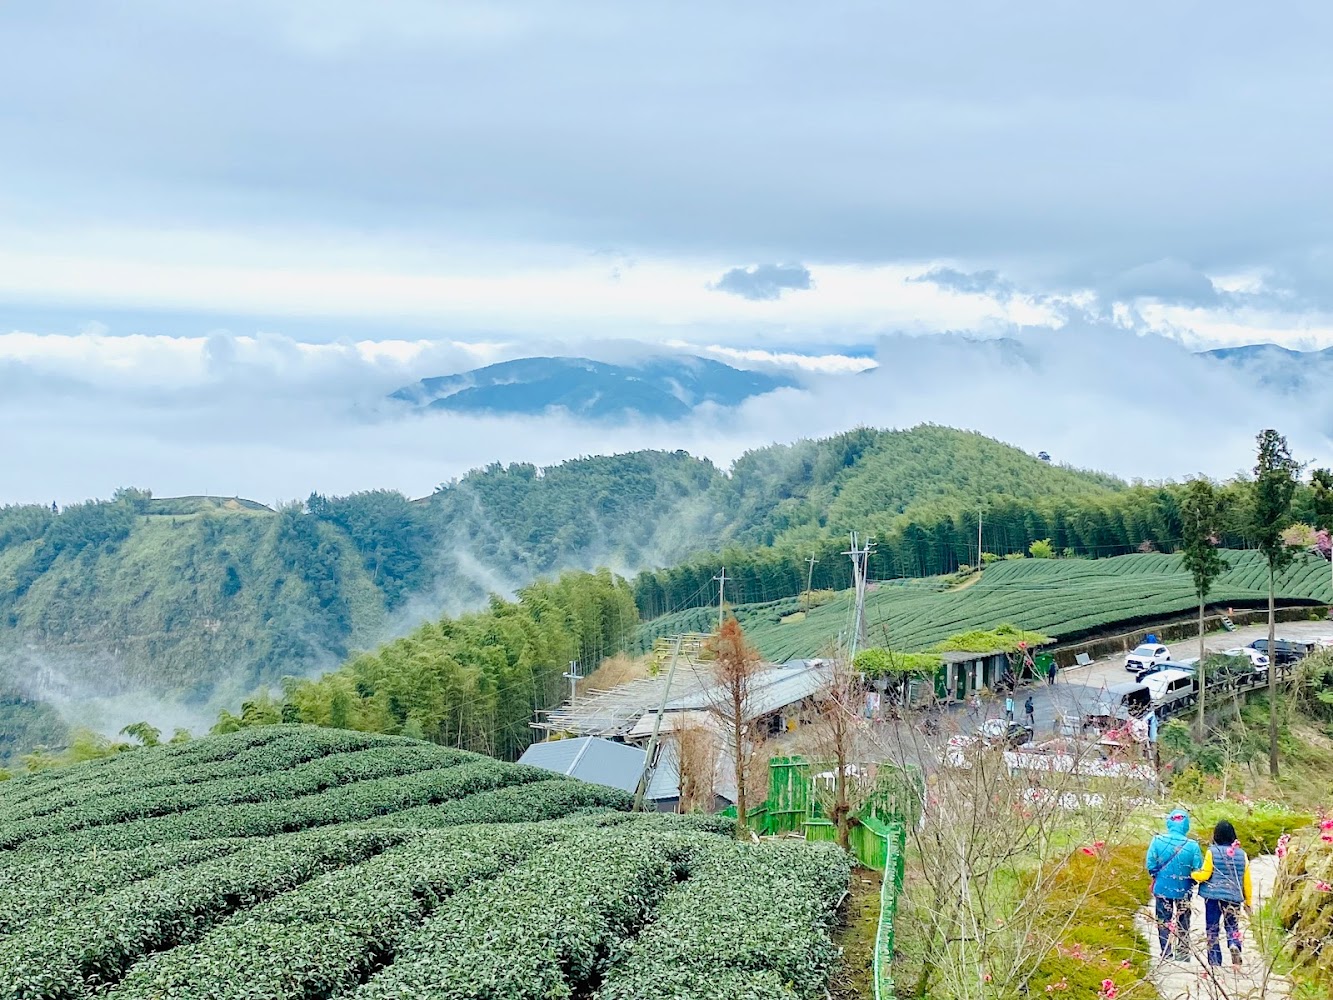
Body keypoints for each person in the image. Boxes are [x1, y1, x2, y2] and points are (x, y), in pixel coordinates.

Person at [1192, 820, 1252, 970]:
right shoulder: (1242, 855)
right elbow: (1247, 881)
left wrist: (1193, 874)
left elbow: (1205, 875)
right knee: (1232, 925)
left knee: (1212, 928)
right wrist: (1248, 902)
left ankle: (1214, 961)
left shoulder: (1212, 851)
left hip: (1212, 897)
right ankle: (1234, 944)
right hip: (1234, 897)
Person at [1146, 810, 1204, 962]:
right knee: (1183, 920)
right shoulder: (1192, 845)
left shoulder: (1157, 840)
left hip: (1162, 887)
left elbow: (1150, 863)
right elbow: (1198, 869)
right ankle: (1183, 953)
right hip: (1184, 889)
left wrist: (1156, 876)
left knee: (1163, 919)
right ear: (1186, 825)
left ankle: (1166, 951)